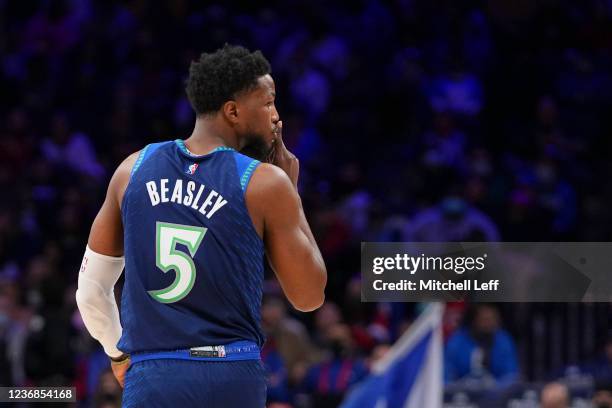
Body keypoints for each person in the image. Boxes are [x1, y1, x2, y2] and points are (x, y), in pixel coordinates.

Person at [75, 44, 327, 407]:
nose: (277, 116)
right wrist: (293, 193)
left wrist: (118, 355)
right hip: (230, 375)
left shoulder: (132, 170)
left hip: (153, 375)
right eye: (269, 102)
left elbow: (91, 291)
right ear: (233, 111)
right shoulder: (263, 183)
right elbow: (309, 296)